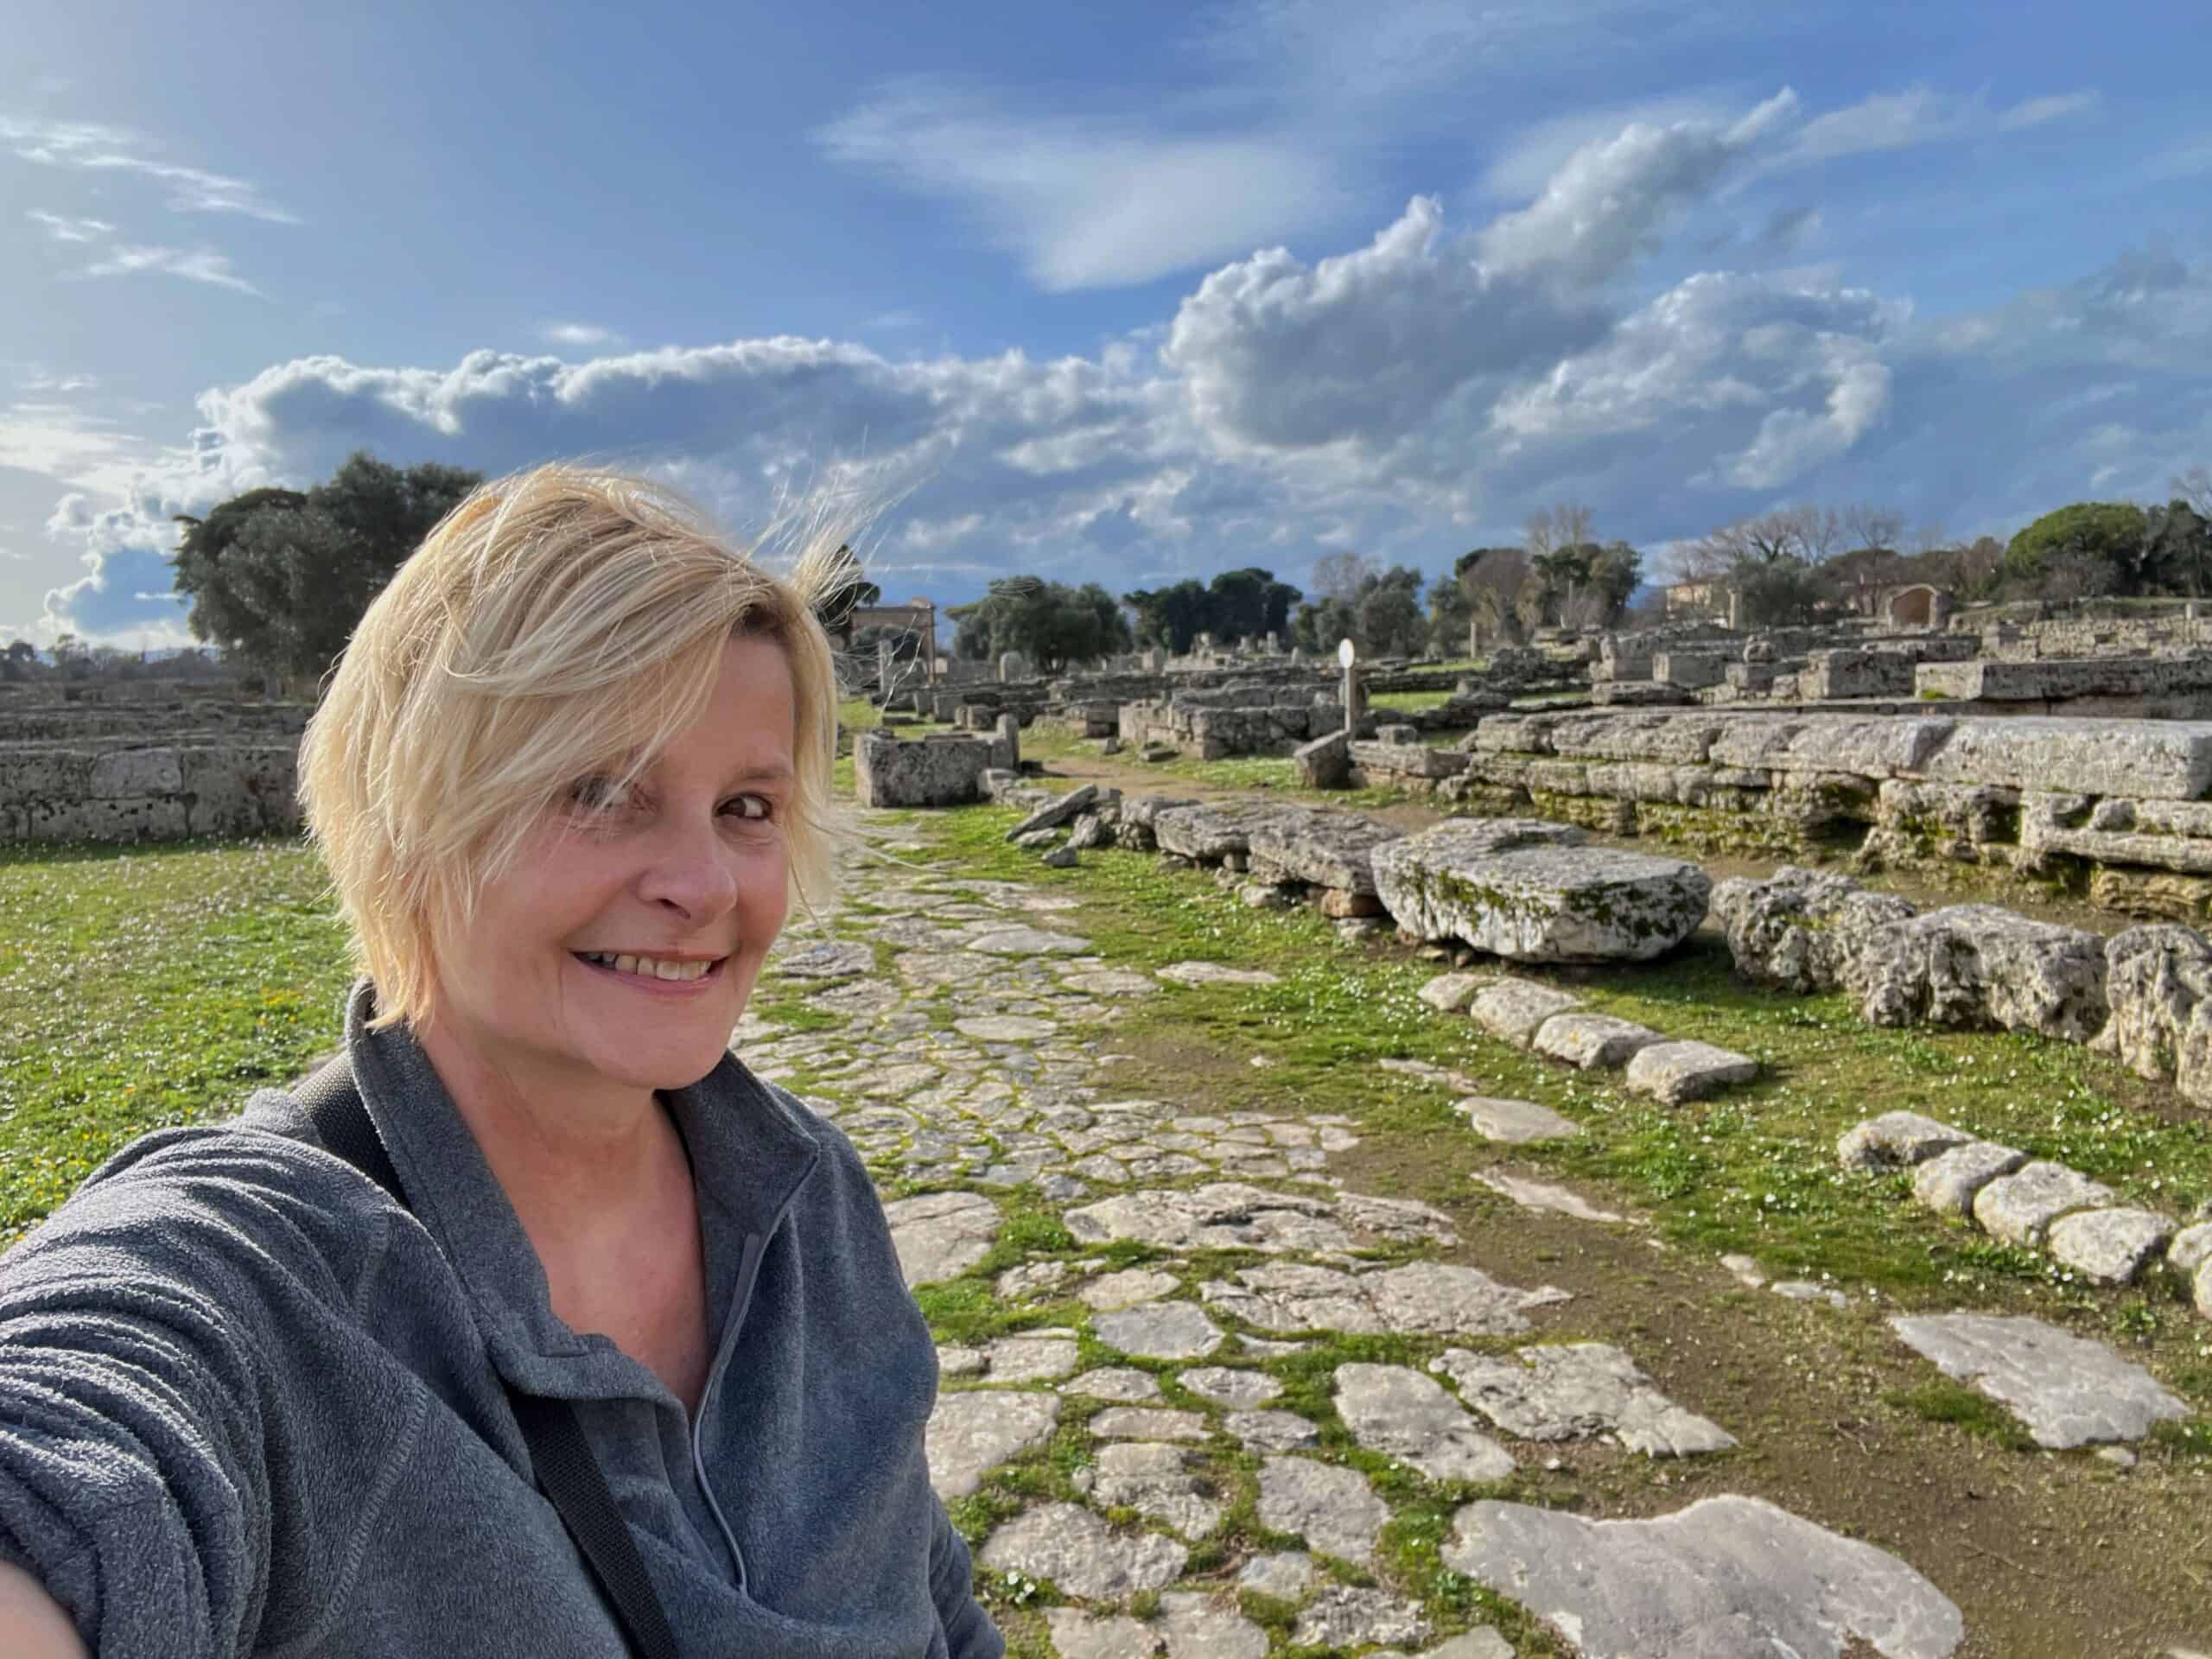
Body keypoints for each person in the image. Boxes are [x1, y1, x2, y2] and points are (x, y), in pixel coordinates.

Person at [0, 466, 1002, 1657]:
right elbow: (75, 1447)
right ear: (411, 819)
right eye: (599, 789)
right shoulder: (259, 1271)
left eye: (746, 806)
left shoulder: (810, 1195)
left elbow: (918, 1574)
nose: (704, 885)